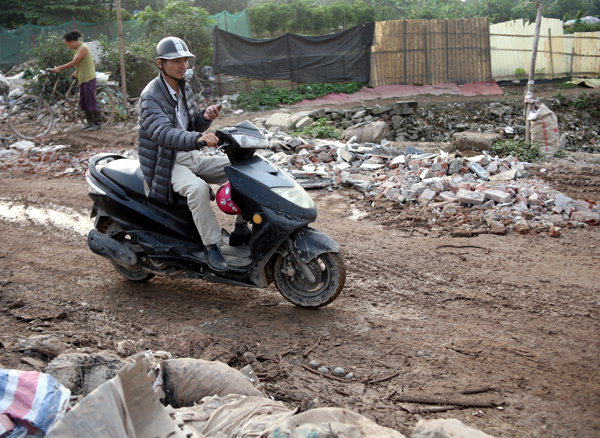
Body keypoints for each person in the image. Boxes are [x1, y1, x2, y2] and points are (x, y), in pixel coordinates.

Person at [137, 36, 250, 272]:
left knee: (241, 167)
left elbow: (190, 125)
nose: (182, 65)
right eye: (176, 61)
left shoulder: (183, 87)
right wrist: (198, 140)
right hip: (166, 163)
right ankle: (212, 247)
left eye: (185, 60)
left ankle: (241, 228)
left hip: (190, 154)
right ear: (160, 63)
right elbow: (163, 134)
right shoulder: (150, 96)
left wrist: (205, 117)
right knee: (197, 189)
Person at [52, 30, 101, 131]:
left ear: (72, 41)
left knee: (90, 101)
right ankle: (89, 122)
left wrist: (59, 68)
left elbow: (74, 62)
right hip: (82, 77)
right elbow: (81, 63)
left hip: (88, 78)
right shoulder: (77, 48)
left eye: (68, 44)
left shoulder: (83, 48)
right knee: (83, 102)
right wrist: (76, 71)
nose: (68, 47)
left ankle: (97, 124)